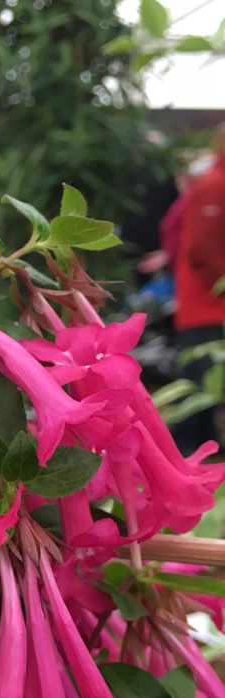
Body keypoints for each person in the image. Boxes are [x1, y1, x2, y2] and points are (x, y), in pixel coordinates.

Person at [171, 126, 225, 455]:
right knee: (197, 386)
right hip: (206, 305)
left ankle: (204, 451)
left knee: (204, 387)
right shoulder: (214, 184)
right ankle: (188, 454)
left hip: (208, 305)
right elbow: (201, 251)